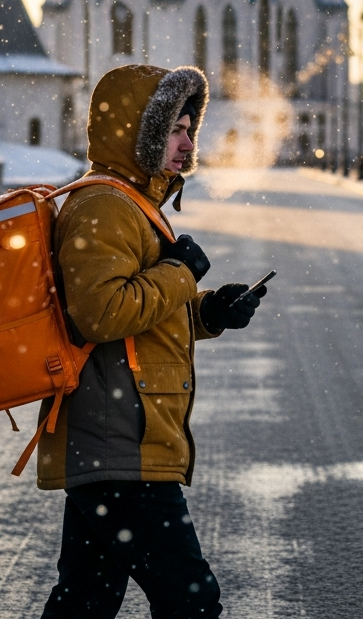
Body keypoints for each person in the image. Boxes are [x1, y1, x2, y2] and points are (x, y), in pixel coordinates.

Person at [39, 63, 266, 618]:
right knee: (191, 601)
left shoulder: (133, 205)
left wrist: (209, 310)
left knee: (85, 601)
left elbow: (139, 319)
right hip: (123, 445)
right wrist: (180, 273)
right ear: (138, 134)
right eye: (175, 131)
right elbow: (101, 314)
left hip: (117, 440)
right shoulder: (104, 206)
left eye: (191, 129)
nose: (188, 144)